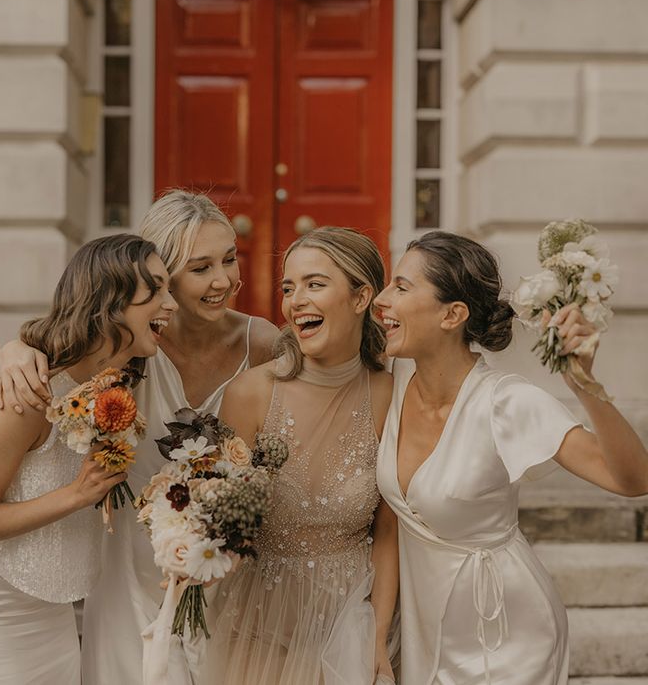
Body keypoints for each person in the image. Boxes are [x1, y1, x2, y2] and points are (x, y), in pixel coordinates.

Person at [0, 189, 280, 683]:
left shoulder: (266, 344)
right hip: (127, 568)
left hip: (223, 570)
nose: (224, 280)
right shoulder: (127, 349)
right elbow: (64, 338)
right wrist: (15, 349)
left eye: (229, 259)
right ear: (159, 278)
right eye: (200, 267)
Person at [373, 230, 648, 685]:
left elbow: (633, 480)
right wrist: (379, 632)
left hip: (506, 639)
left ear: (452, 315)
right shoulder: (393, 388)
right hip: (423, 633)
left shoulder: (507, 401)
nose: (383, 299)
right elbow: (388, 523)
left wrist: (584, 386)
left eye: (402, 287)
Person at [0, 234, 178, 684]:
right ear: (110, 299)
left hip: (50, 610)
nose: (171, 304)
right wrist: (78, 493)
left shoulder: (120, 381)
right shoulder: (28, 392)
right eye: (156, 289)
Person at [197, 227, 399, 685]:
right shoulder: (251, 394)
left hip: (351, 611)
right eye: (289, 288)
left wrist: (379, 635)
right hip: (257, 617)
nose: (295, 300)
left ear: (361, 296)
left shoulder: (389, 395)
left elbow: (388, 530)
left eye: (314, 284)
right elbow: (217, 518)